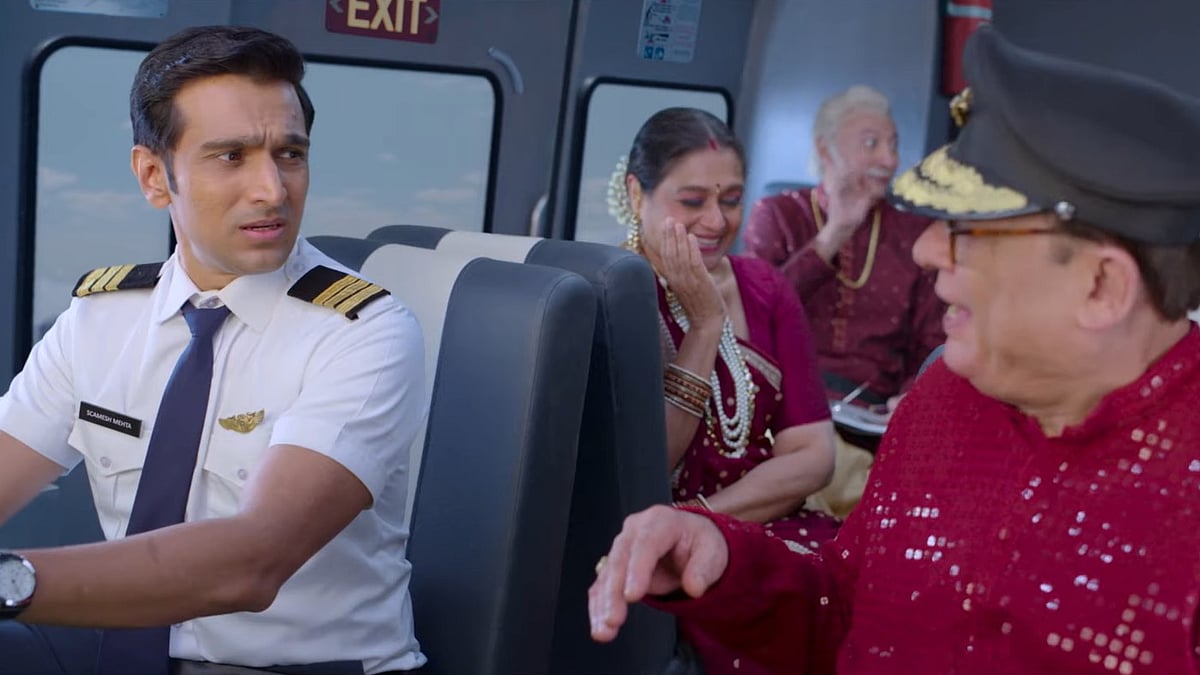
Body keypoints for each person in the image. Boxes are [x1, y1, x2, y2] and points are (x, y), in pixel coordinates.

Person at [589, 25, 1200, 674]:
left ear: (1101, 287)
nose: (926, 250)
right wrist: (724, 557)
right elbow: (849, 612)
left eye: (965, 232)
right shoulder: (944, 401)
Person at [0, 26, 426, 675]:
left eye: (289, 154)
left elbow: (253, 560)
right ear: (154, 176)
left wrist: (11, 581)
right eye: (231, 156)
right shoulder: (99, 319)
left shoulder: (365, 331)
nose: (272, 190)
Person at [608, 107, 838, 675]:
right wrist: (705, 324)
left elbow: (814, 456)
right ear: (637, 194)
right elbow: (648, 469)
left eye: (732, 200)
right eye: (692, 201)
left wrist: (704, 518)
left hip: (770, 531)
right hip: (661, 553)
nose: (716, 220)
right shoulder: (611, 293)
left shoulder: (765, 287)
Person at [743, 85, 945, 412]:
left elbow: (932, 341)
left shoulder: (915, 233)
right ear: (826, 149)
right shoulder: (778, 214)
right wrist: (835, 233)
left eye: (894, 145)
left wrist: (911, 397)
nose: (890, 160)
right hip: (779, 397)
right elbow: (753, 314)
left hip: (872, 410)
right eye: (871, 144)